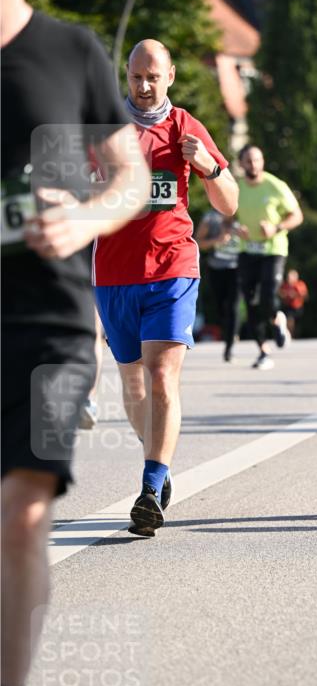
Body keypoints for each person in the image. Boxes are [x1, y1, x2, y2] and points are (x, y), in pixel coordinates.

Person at [1, 0, 150, 686]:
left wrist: (88, 217)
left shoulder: (69, 51)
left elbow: (130, 174)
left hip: (48, 322)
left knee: (20, 514)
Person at [93, 39, 238, 532]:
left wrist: (210, 167)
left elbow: (229, 203)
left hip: (172, 267)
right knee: (133, 381)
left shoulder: (185, 127)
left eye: (153, 76)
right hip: (113, 275)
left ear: (170, 76)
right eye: (137, 76)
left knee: (161, 376)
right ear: (127, 75)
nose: (145, 85)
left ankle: (151, 485)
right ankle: (159, 454)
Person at [236, 145, 303, 370]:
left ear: (262, 161)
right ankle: (263, 351)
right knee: (250, 301)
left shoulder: (275, 186)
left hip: (273, 248)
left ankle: (277, 319)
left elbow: (297, 216)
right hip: (247, 250)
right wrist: (235, 227)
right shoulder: (236, 188)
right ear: (241, 163)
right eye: (248, 161)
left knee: (267, 295)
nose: (253, 164)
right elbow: (226, 218)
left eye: (257, 160)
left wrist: (276, 227)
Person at [195, 210, 243, 362]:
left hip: (239, 268)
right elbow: (199, 242)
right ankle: (229, 332)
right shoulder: (210, 217)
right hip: (217, 268)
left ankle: (229, 347)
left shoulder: (244, 213)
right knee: (221, 307)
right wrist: (217, 240)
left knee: (233, 306)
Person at [279, 268, 309, 337]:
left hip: (297, 307)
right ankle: (289, 334)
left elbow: (305, 296)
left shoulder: (300, 285)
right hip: (288, 307)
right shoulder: (285, 285)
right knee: (289, 319)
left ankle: (292, 334)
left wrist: (295, 295)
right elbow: (280, 294)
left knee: (293, 321)